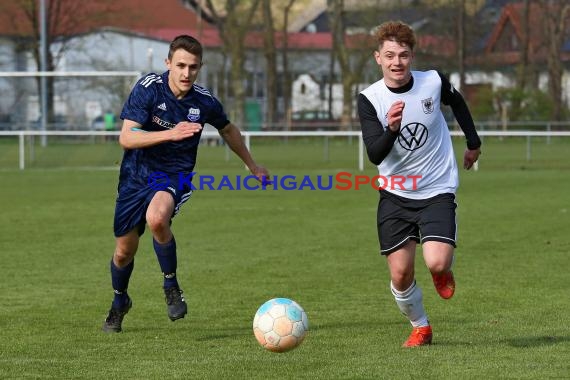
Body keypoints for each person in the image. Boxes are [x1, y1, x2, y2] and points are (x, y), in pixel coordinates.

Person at [102, 35, 269, 333]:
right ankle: (119, 302)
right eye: (180, 65)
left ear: (200, 67)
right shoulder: (148, 89)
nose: (186, 73)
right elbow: (126, 137)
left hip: (172, 175)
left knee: (157, 219)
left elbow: (228, 129)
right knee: (124, 252)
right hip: (135, 176)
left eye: (193, 67)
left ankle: (171, 284)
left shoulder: (204, 101)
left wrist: (252, 165)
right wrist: (170, 133)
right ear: (168, 64)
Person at [357, 21, 481, 347]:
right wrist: (392, 129)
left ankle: (441, 271)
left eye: (403, 55)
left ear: (412, 56)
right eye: (389, 55)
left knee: (437, 261)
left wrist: (473, 142)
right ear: (378, 58)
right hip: (395, 194)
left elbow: (458, 104)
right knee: (400, 275)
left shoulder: (433, 81)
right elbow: (374, 153)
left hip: (436, 188)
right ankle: (421, 327)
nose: (397, 62)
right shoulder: (370, 99)